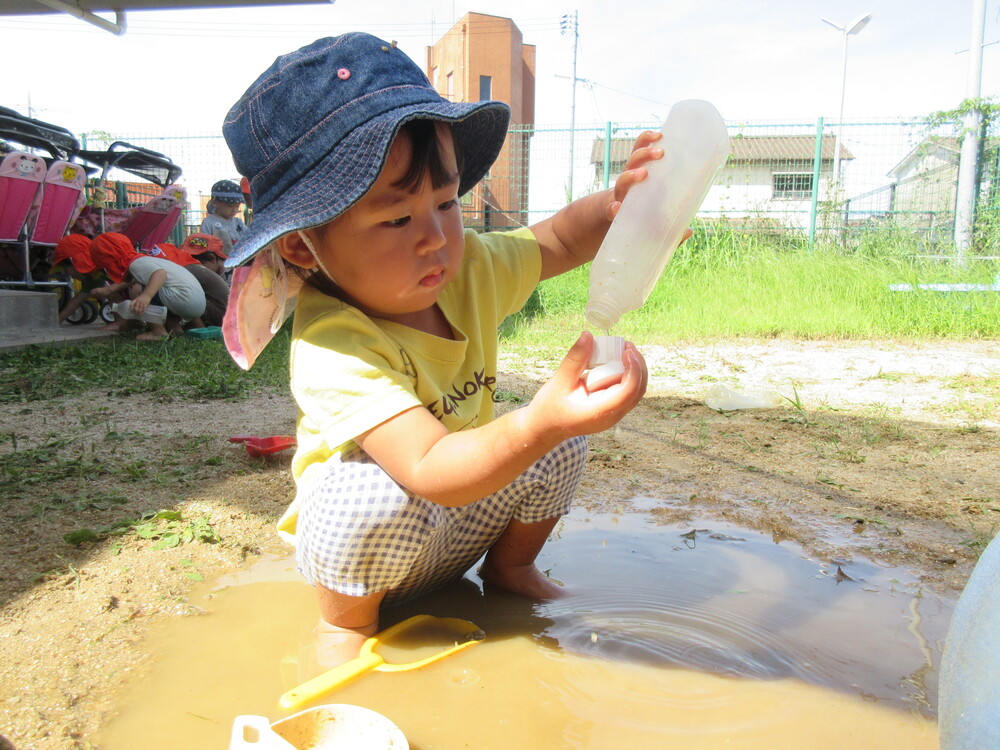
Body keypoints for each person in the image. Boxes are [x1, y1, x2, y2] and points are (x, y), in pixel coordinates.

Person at [221, 33, 659, 665]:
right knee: (362, 491)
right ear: (301, 246)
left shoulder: (470, 267)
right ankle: (344, 626)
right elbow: (425, 469)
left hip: (455, 528)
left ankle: (511, 571)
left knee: (559, 440)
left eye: (446, 201)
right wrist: (537, 419)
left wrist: (618, 205)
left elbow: (561, 240)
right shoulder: (333, 342)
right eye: (397, 219)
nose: (435, 238)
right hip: (374, 549)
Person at [89, 232, 206, 341]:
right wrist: (125, 326)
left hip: (182, 299)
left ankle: (158, 331)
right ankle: (175, 331)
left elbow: (160, 273)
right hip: (194, 303)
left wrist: (146, 296)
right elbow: (131, 280)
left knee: (143, 290)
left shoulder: (137, 264)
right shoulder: (143, 261)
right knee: (157, 292)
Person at [151, 233, 230, 328]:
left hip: (221, 316)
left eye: (191, 258)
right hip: (225, 314)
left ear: (212, 258)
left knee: (183, 293)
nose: (188, 260)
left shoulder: (194, 269)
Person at [50, 234, 110, 324]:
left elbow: (127, 282)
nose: (69, 275)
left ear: (75, 264)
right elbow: (76, 301)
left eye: (66, 270)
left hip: (133, 295)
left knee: (113, 294)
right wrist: (57, 321)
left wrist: (110, 289)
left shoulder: (104, 269)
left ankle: (120, 322)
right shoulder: (90, 280)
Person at [200, 179, 248, 257]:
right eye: (230, 206)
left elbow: (248, 237)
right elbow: (205, 247)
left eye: (237, 206)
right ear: (215, 203)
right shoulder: (209, 222)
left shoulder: (238, 222)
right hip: (218, 261)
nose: (234, 210)